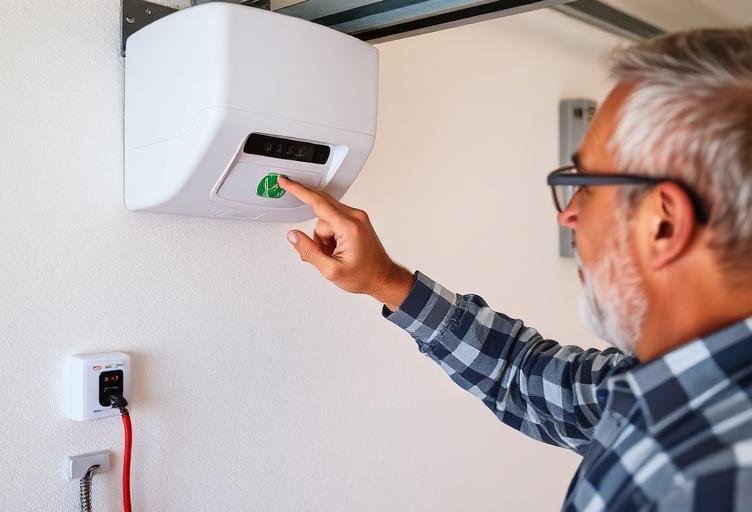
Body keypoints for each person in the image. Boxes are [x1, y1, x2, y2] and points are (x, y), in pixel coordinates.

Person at [278, 28, 752, 511]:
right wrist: (386, 282)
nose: (566, 216)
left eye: (584, 185)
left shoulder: (707, 484)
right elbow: (521, 376)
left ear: (664, 224)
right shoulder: (674, 384)